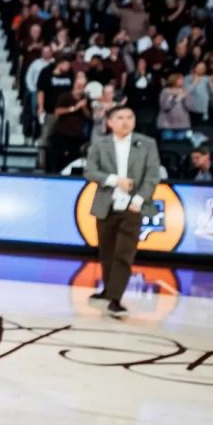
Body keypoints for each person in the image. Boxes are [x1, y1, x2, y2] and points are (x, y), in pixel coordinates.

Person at [83, 106, 160, 319]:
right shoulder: (100, 144)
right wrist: (115, 180)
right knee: (106, 252)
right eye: (120, 118)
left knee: (124, 254)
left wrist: (138, 199)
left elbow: (152, 176)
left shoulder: (147, 144)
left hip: (132, 207)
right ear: (110, 122)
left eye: (129, 117)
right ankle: (108, 290)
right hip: (106, 205)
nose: (125, 121)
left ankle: (115, 298)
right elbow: (89, 171)